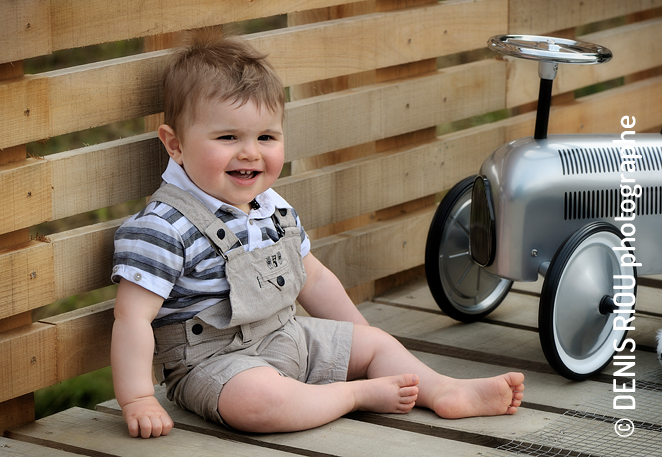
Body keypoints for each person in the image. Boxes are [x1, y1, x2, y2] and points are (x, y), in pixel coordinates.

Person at [110, 30, 524, 439]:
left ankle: (442, 390)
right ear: (175, 144)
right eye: (228, 137)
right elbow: (132, 317)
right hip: (215, 364)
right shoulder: (163, 227)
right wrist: (138, 399)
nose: (250, 152)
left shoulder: (274, 210)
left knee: (377, 343)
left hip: (287, 336)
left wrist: (359, 344)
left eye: (266, 137)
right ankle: (354, 395)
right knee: (258, 402)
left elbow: (316, 279)